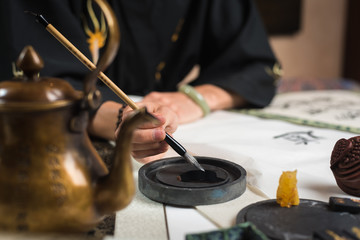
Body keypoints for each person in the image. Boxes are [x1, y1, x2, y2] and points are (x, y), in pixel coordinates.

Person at [0, 0, 280, 163]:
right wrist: (120, 117)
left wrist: (196, 98)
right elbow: (38, 85)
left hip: (160, 115)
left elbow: (255, 65)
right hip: (73, 131)